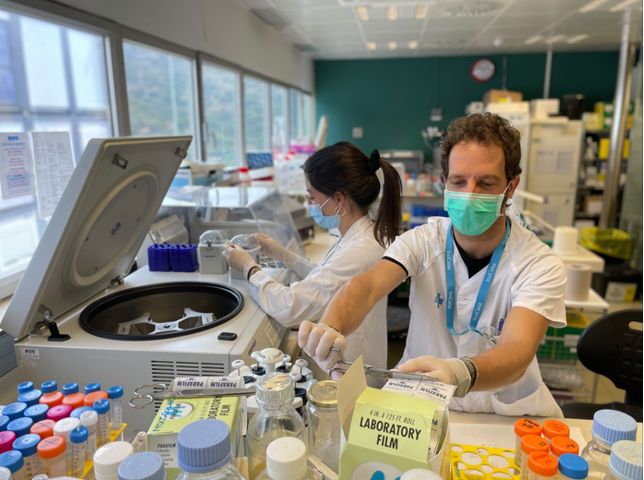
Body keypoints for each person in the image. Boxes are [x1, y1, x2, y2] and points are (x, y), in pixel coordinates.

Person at [298, 113, 567, 417]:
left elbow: (518, 349)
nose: (470, 194)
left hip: (506, 415)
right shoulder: (423, 241)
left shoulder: (539, 264)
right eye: (459, 181)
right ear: (444, 183)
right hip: (420, 404)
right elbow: (368, 286)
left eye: (487, 183)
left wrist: (460, 374)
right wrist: (331, 326)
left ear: (512, 186)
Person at [224, 142, 402, 369]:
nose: (312, 205)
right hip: (349, 358)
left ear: (338, 199)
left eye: (313, 197)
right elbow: (327, 279)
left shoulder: (360, 250)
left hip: (348, 371)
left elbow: (290, 307)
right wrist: (285, 255)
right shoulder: (359, 234)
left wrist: (249, 269)